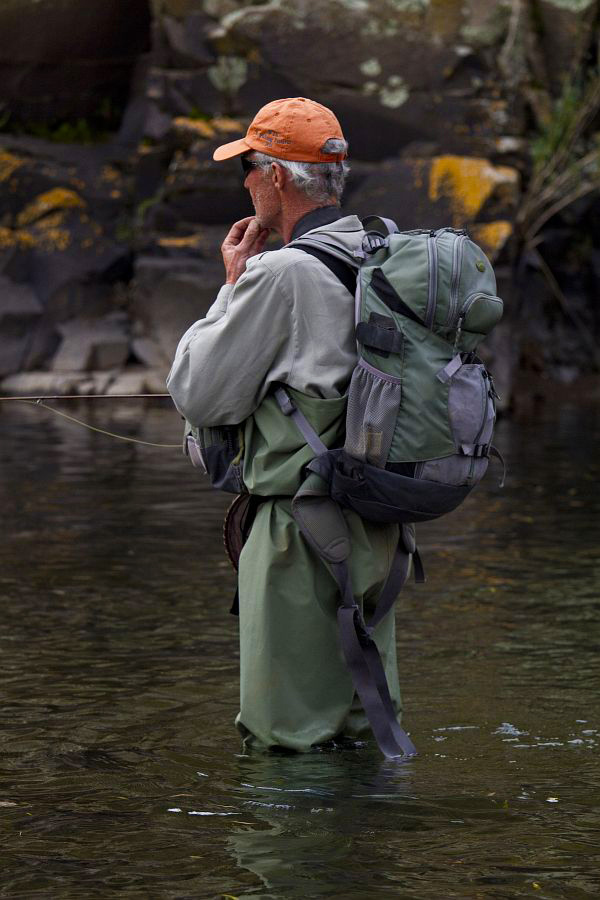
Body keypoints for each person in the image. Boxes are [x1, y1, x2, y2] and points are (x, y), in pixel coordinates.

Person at [167, 97, 403, 752]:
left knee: (287, 744)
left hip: (298, 535)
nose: (243, 181)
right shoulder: (380, 249)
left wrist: (232, 285)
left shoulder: (282, 273)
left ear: (275, 178)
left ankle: (287, 855)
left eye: (248, 167)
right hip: (380, 526)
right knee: (365, 731)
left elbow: (197, 392)